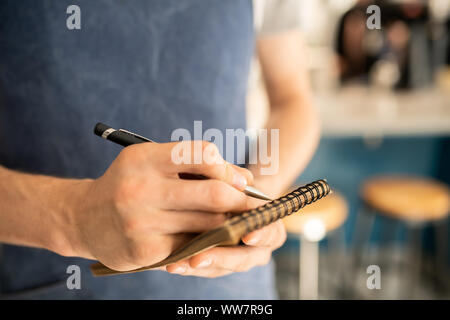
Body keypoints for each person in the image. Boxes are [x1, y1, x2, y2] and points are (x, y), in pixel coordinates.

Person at [0, 0, 319, 299]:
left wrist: (255, 196)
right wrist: (73, 217)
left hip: (227, 284)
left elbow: (292, 100)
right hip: (48, 281)